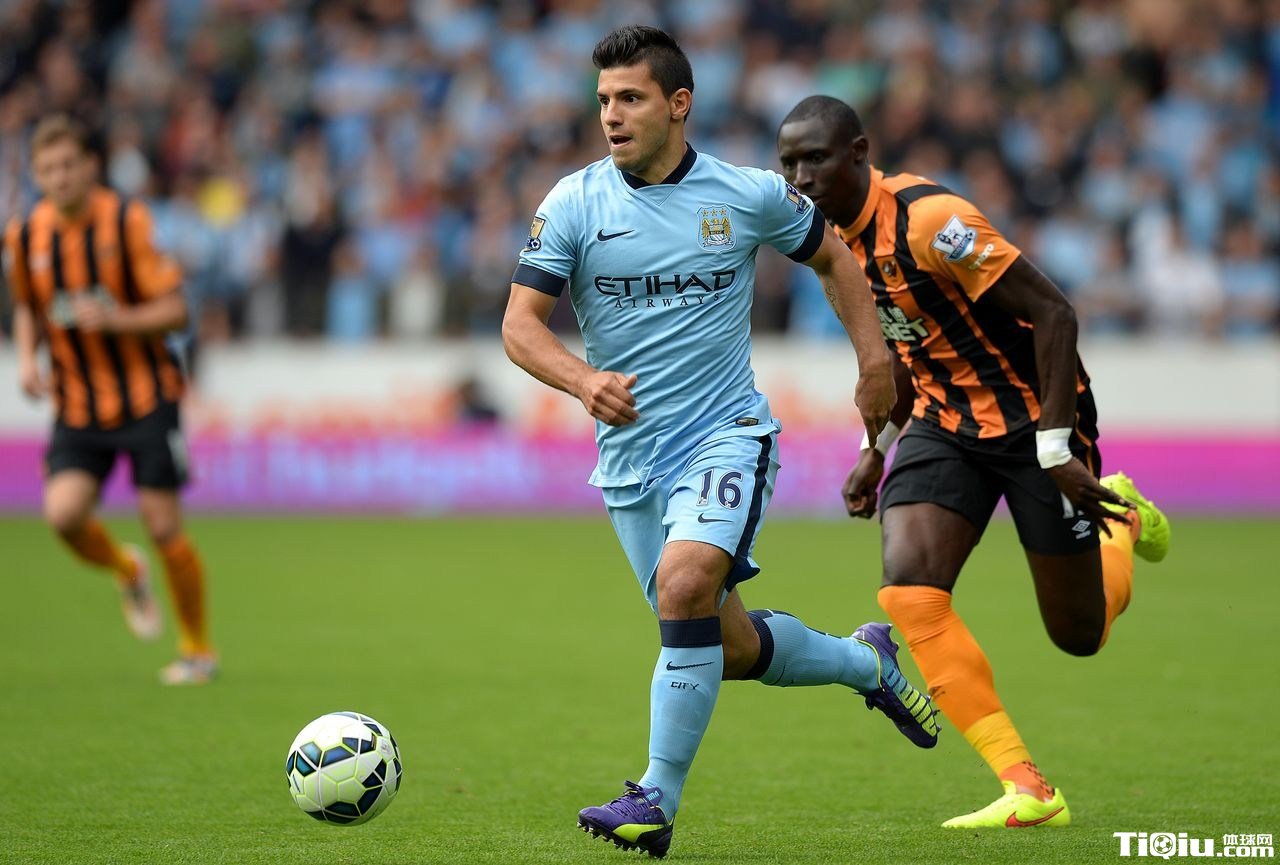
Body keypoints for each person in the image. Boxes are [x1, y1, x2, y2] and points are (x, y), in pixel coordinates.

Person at [502, 26, 941, 860]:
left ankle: (652, 800)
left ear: (678, 105)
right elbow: (520, 326)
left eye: (630, 98)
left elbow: (835, 259)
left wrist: (874, 359)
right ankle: (865, 661)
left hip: (726, 434)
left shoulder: (746, 195)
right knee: (726, 645)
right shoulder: (574, 203)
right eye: (603, 100)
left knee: (684, 584)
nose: (611, 115)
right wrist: (582, 381)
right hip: (630, 463)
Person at [777, 95, 1172, 828]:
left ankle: (1120, 524)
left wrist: (1056, 447)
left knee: (1079, 635)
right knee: (909, 590)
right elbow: (903, 352)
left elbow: (1055, 313)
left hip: (1037, 422)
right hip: (944, 423)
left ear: (859, 153)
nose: (800, 177)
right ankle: (1028, 787)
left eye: (815, 158)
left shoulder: (932, 222)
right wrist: (874, 450)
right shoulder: (830, 253)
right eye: (788, 163)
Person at [3, 114, 217, 685]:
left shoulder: (128, 222)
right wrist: (26, 359)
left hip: (147, 395)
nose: (60, 176)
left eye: (68, 165)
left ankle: (197, 650)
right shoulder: (25, 235)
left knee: (163, 525)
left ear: (91, 166)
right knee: (63, 515)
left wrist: (117, 319)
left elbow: (178, 311)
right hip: (78, 403)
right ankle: (126, 568)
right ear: (36, 175)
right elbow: (26, 305)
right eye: (48, 168)